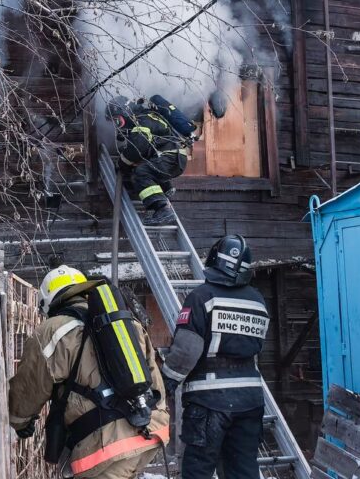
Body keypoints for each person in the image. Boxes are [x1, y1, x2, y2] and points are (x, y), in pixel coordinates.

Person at [8, 266, 170, 479]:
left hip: (106, 447)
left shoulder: (52, 330)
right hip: (149, 430)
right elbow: (154, 380)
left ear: (47, 302)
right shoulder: (126, 322)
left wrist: (19, 421)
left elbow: (29, 386)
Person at [161, 234, 268, 479]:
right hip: (251, 399)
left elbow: (186, 351)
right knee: (242, 470)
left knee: (198, 470)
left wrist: (165, 383)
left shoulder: (201, 297)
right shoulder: (258, 300)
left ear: (214, 260)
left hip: (209, 401)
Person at [106, 96, 189, 226]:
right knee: (147, 167)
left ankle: (163, 209)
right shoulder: (148, 116)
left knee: (142, 173)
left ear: (125, 112)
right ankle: (166, 187)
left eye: (117, 121)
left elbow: (137, 147)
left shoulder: (142, 121)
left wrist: (122, 163)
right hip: (174, 157)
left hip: (169, 157)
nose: (118, 126)